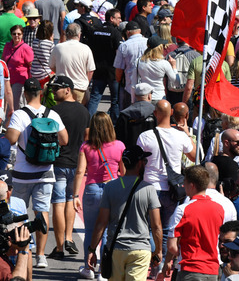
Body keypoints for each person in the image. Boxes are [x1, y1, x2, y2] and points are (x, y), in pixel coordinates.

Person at [6, 78, 69, 269]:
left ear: (24, 93)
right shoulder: (52, 114)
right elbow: (64, 140)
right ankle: (41, 256)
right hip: (46, 173)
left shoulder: (19, 114)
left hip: (22, 173)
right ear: (41, 93)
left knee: (18, 213)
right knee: (42, 212)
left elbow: (11, 139)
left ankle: (20, 251)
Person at [85, 146, 163, 281]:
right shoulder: (149, 189)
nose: (145, 163)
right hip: (140, 250)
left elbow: (101, 223)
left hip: (115, 249)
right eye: (144, 161)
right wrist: (159, 250)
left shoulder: (110, 187)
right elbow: (156, 226)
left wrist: (92, 250)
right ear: (139, 164)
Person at [137, 100, 197, 250]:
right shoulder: (180, 136)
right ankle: (161, 262)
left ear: (155, 114)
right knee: (165, 230)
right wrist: (188, 134)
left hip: (149, 186)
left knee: (149, 228)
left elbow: (138, 162)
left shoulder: (145, 136)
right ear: (171, 113)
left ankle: (153, 256)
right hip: (172, 189)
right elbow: (194, 156)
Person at [73, 112, 126, 279]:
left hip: (92, 189)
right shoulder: (119, 146)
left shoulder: (86, 147)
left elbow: (80, 171)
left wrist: (75, 195)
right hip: (113, 189)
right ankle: (104, 271)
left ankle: (88, 268)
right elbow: (123, 173)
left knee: (91, 229)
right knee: (109, 232)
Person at [48, 78, 91, 260]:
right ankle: (69, 238)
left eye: (57, 89)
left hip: (58, 162)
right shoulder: (84, 111)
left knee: (58, 202)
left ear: (68, 90)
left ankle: (59, 247)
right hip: (76, 162)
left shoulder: (53, 111)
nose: (54, 92)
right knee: (70, 200)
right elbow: (87, 137)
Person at [163, 165, 225, 281]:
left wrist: (188, 253)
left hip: (190, 270)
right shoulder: (219, 208)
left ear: (191, 185)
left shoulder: (183, 209)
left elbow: (172, 246)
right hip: (212, 270)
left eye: (184, 182)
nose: (183, 185)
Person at [50, 22, 95, 103]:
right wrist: (85, 83)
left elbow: (51, 66)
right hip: (80, 88)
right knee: (78, 113)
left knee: (62, 113)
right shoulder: (86, 48)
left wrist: (61, 71)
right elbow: (90, 70)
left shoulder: (58, 47)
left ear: (66, 34)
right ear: (79, 34)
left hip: (62, 87)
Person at [115, 83, 157, 150]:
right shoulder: (156, 113)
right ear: (149, 96)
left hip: (131, 152)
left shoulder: (124, 114)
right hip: (152, 150)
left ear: (134, 95)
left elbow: (119, 136)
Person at [2, 24, 34, 111]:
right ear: (11, 34)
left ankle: (11, 123)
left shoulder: (26, 48)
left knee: (15, 105)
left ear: (22, 35)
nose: (16, 36)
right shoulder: (7, 46)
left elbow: (31, 65)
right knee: (4, 104)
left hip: (20, 80)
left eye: (19, 34)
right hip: (7, 79)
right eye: (14, 34)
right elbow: (3, 61)